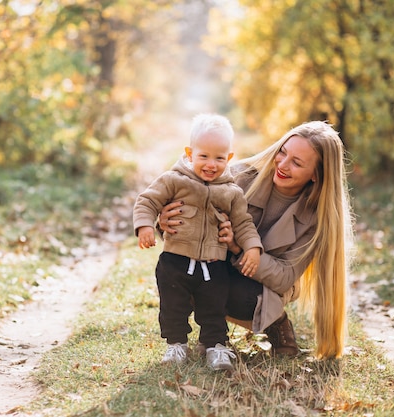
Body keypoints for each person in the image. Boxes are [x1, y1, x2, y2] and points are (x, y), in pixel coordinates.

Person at [158, 120, 354, 359]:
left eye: (297, 162)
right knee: (178, 272)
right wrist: (164, 223)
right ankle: (214, 337)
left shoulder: (317, 220)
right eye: (282, 152)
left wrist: (239, 247)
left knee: (243, 298)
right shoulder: (237, 177)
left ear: (315, 175)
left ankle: (275, 321)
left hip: (264, 286)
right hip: (216, 264)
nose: (282, 164)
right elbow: (184, 203)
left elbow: (283, 278)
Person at [133, 113, 263, 370]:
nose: (211, 164)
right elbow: (147, 200)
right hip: (174, 261)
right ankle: (176, 345)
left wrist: (253, 247)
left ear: (229, 158)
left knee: (214, 308)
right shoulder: (174, 179)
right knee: (173, 307)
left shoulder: (232, 192)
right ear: (190, 153)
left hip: (214, 265)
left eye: (219, 158)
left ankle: (215, 347)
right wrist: (145, 225)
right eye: (203, 156)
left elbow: (244, 223)